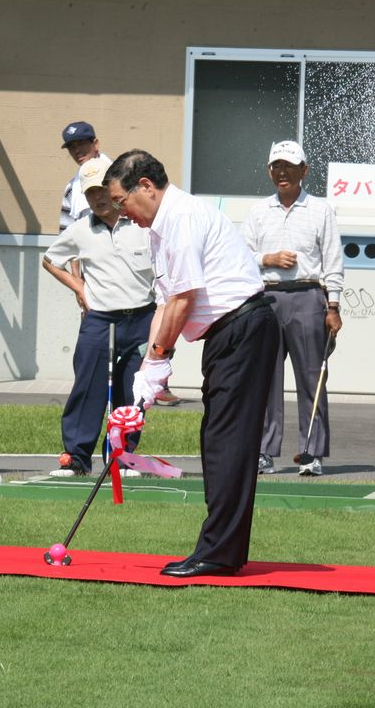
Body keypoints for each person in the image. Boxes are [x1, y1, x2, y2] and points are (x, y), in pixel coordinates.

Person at [105, 149, 280, 578]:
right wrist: (149, 370)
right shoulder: (161, 227)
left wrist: (161, 357)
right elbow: (166, 301)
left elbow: (184, 299)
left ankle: (219, 553)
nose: (123, 213)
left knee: (228, 445)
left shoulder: (180, 218)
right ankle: (223, 549)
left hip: (242, 328)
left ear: (145, 186)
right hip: (228, 335)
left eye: (121, 201)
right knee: (218, 442)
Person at [42, 158, 155, 476]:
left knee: (133, 390)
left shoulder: (141, 224)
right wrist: (78, 286)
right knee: (88, 383)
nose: (98, 198)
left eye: (103, 189)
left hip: (142, 318)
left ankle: (121, 455)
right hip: (100, 319)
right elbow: (51, 261)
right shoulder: (80, 230)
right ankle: (76, 456)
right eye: (90, 192)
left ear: (114, 187)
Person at [243, 140, 343, 476]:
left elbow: (333, 261)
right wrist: (266, 259)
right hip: (267, 297)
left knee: (312, 377)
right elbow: (240, 257)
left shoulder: (321, 210)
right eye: (276, 166)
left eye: (289, 166)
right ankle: (264, 450)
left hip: (308, 296)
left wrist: (333, 305)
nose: (282, 172)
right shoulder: (258, 212)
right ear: (269, 171)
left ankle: (312, 452)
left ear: (304, 170)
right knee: (265, 378)